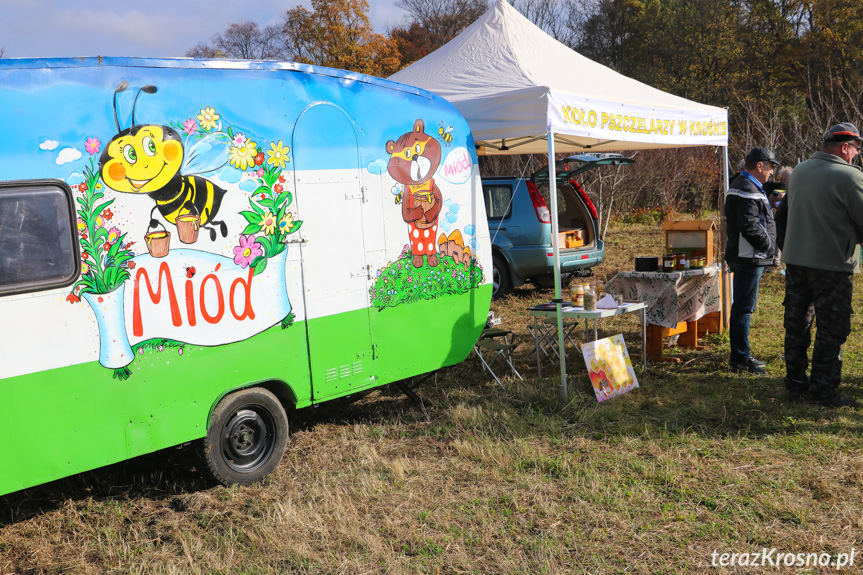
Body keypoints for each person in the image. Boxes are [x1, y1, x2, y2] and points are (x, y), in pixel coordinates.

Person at [782, 123, 863, 407]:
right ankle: (824, 391)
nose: (855, 154)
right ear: (844, 148)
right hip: (832, 264)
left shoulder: (798, 172)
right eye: (855, 149)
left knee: (796, 324)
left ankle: (795, 384)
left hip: (795, 261)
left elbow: (784, 216)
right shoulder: (850, 176)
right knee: (832, 328)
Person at [724, 147, 779, 374]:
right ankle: (740, 359)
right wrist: (768, 247)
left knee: (743, 307)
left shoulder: (744, 184)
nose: (771, 173)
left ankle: (741, 354)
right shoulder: (747, 188)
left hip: (746, 255)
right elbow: (750, 225)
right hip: (749, 257)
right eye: (770, 168)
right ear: (759, 166)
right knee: (743, 308)